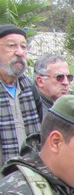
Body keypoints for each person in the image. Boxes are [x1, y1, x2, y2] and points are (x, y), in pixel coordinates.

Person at [0, 25, 43, 165]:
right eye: (12, 45)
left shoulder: (29, 87)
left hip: (29, 172)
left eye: (23, 47)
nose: (19, 52)